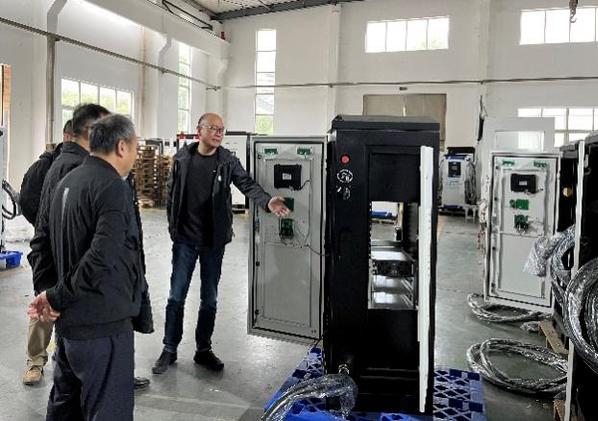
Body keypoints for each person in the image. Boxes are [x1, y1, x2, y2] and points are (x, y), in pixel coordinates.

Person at [28, 114, 153, 421]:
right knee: (108, 411)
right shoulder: (113, 187)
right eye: (136, 146)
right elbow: (101, 258)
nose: (136, 154)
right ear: (121, 146)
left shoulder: (68, 181)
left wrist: (51, 294)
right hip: (103, 326)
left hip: (70, 330)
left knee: (65, 408)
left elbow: (41, 244)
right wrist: (54, 297)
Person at [152, 112, 290, 374]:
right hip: (185, 241)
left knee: (210, 299)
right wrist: (174, 229)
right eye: (213, 128)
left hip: (213, 242)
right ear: (199, 131)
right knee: (176, 296)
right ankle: (169, 349)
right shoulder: (182, 159)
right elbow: (171, 194)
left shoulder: (227, 161)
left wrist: (267, 201)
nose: (218, 133)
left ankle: (203, 350)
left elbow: (246, 184)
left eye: (221, 130)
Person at [24, 105, 108, 386]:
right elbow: (30, 202)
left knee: (58, 311)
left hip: (56, 253)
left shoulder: (77, 162)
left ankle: (68, 363)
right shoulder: (62, 165)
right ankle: (36, 362)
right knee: (46, 310)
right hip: (53, 255)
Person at [19, 119, 73, 227]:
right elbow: (27, 200)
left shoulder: (85, 165)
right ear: (67, 136)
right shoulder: (44, 166)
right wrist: (44, 224)